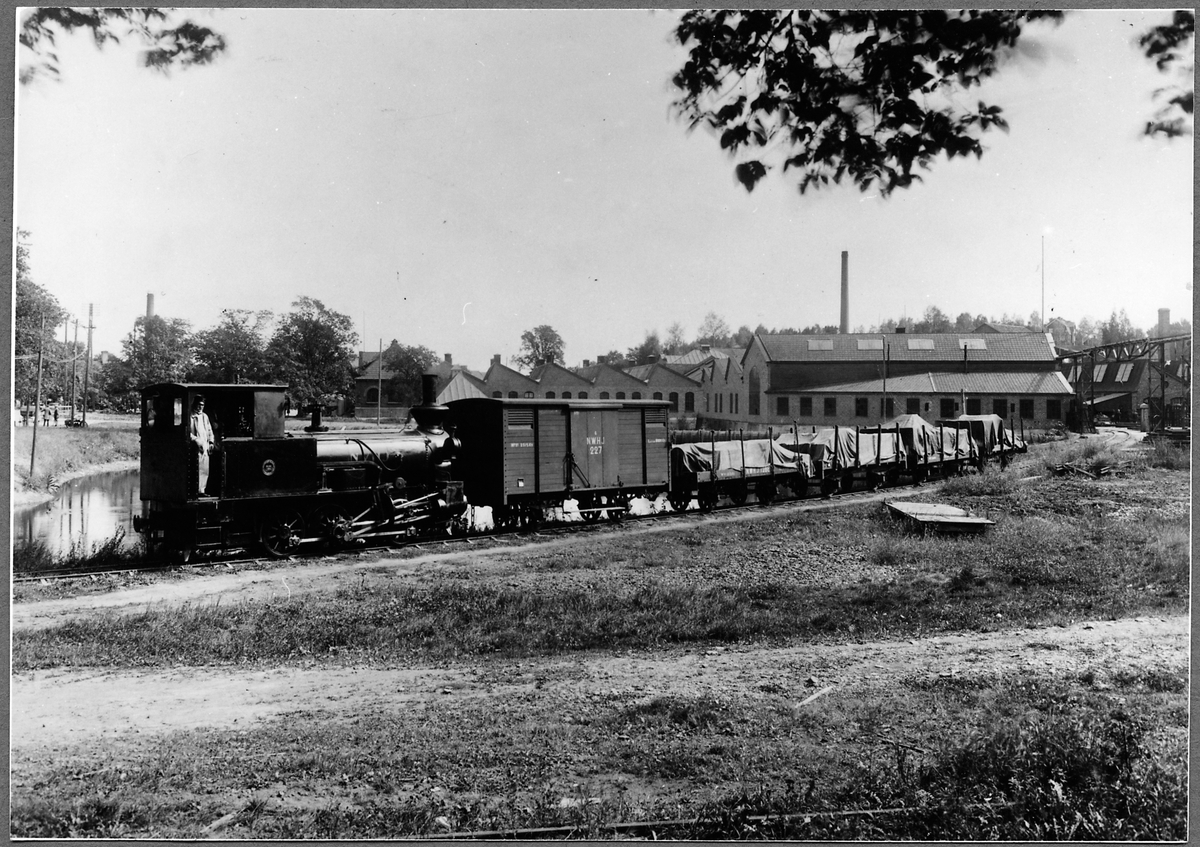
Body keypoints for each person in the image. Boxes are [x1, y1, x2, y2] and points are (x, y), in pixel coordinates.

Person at [190, 396, 216, 495]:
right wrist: (196, 440)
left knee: (205, 470)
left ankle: (202, 490)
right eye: (199, 404)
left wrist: (211, 442)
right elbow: (188, 433)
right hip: (195, 447)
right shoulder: (191, 416)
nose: (200, 407)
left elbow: (209, 431)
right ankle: (195, 491)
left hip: (205, 446)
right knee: (196, 469)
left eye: (202, 405)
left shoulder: (205, 416)